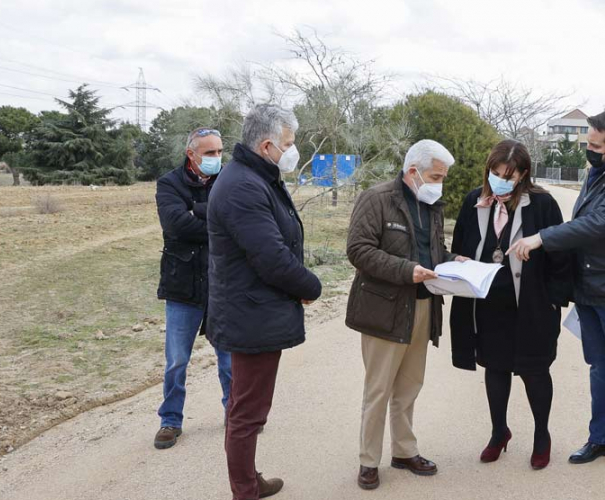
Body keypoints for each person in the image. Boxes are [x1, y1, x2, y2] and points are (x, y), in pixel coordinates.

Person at [508, 110, 605, 470]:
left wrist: (542, 237)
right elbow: (580, 224)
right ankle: (601, 439)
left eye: (594, 145)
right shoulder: (597, 172)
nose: (587, 150)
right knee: (598, 367)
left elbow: (595, 225)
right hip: (588, 286)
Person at [207, 104, 322, 500]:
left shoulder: (255, 176)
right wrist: (309, 286)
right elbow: (271, 256)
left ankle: (249, 480)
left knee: (247, 406)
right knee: (247, 413)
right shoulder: (242, 185)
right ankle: (245, 491)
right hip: (250, 313)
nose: (293, 150)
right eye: (289, 144)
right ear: (268, 144)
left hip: (253, 309)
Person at [345, 139, 464, 490]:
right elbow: (358, 250)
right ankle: (369, 460)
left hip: (424, 305)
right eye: (435, 175)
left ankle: (404, 450)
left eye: (442, 176)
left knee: (410, 386)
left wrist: (452, 259)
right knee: (378, 389)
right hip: (384, 308)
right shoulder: (377, 198)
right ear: (413, 171)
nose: (439, 182)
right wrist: (405, 270)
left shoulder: (432, 203)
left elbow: (431, 250)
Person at [450, 140, 573, 470]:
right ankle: (498, 432)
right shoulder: (473, 201)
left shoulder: (542, 204)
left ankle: (542, 435)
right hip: (488, 305)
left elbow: (561, 254)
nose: (500, 180)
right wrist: (457, 260)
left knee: (535, 372)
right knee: (495, 367)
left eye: (508, 174)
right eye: (495, 172)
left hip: (532, 305)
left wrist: (553, 301)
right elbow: (460, 244)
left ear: (523, 174)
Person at [153, 127, 231, 450]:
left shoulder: (228, 181)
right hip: (182, 284)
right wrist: (214, 221)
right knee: (176, 360)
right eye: (210, 153)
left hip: (221, 283)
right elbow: (175, 225)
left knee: (229, 359)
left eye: (219, 152)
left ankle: (236, 416)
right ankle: (170, 420)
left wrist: (196, 212)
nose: (216, 158)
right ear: (192, 154)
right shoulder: (168, 184)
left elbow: (234, 222)